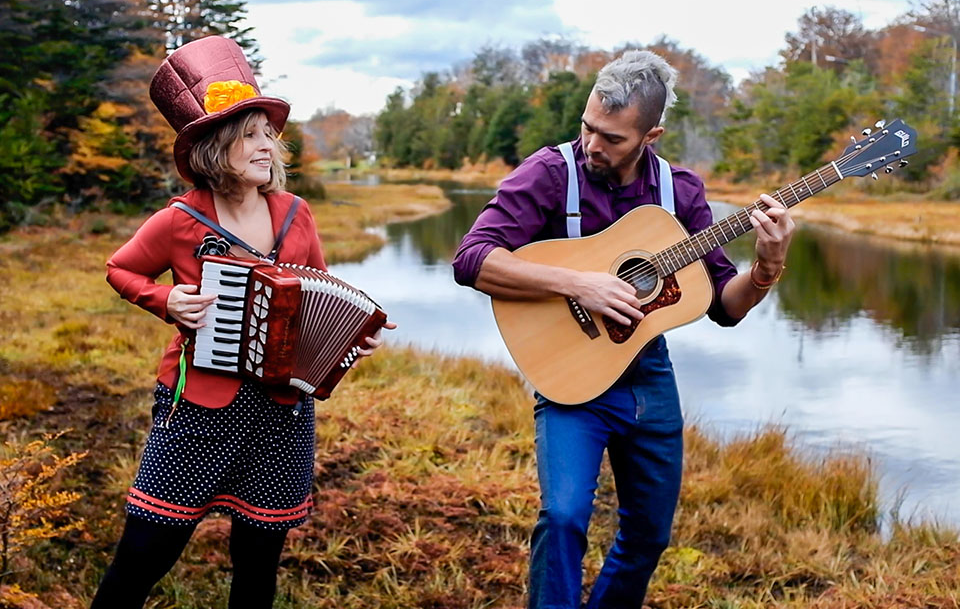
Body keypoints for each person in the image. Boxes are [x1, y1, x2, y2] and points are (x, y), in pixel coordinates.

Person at [452, 50, 795, 608]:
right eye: (588, 127)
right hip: (573, 376)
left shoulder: (679, 194)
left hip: (648, 378)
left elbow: (725, 307)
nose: (592, 144)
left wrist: (766, 267)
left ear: (650, 135)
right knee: (563, 517)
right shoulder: (550, 172)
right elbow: (472, 259)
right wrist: (577, 285)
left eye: (612, 138)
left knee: (649, 535)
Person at [92, 36, 393, 608]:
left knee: (257, 565)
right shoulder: (179, 220)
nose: (266, 147)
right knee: (144, 555)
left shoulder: (296, 214)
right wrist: (166, 301)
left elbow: (324, 293)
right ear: (215, 147)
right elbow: (121, 269)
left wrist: (356, 334)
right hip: (198, 407)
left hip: (281, 412)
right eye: (249, 135)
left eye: (268, 135)